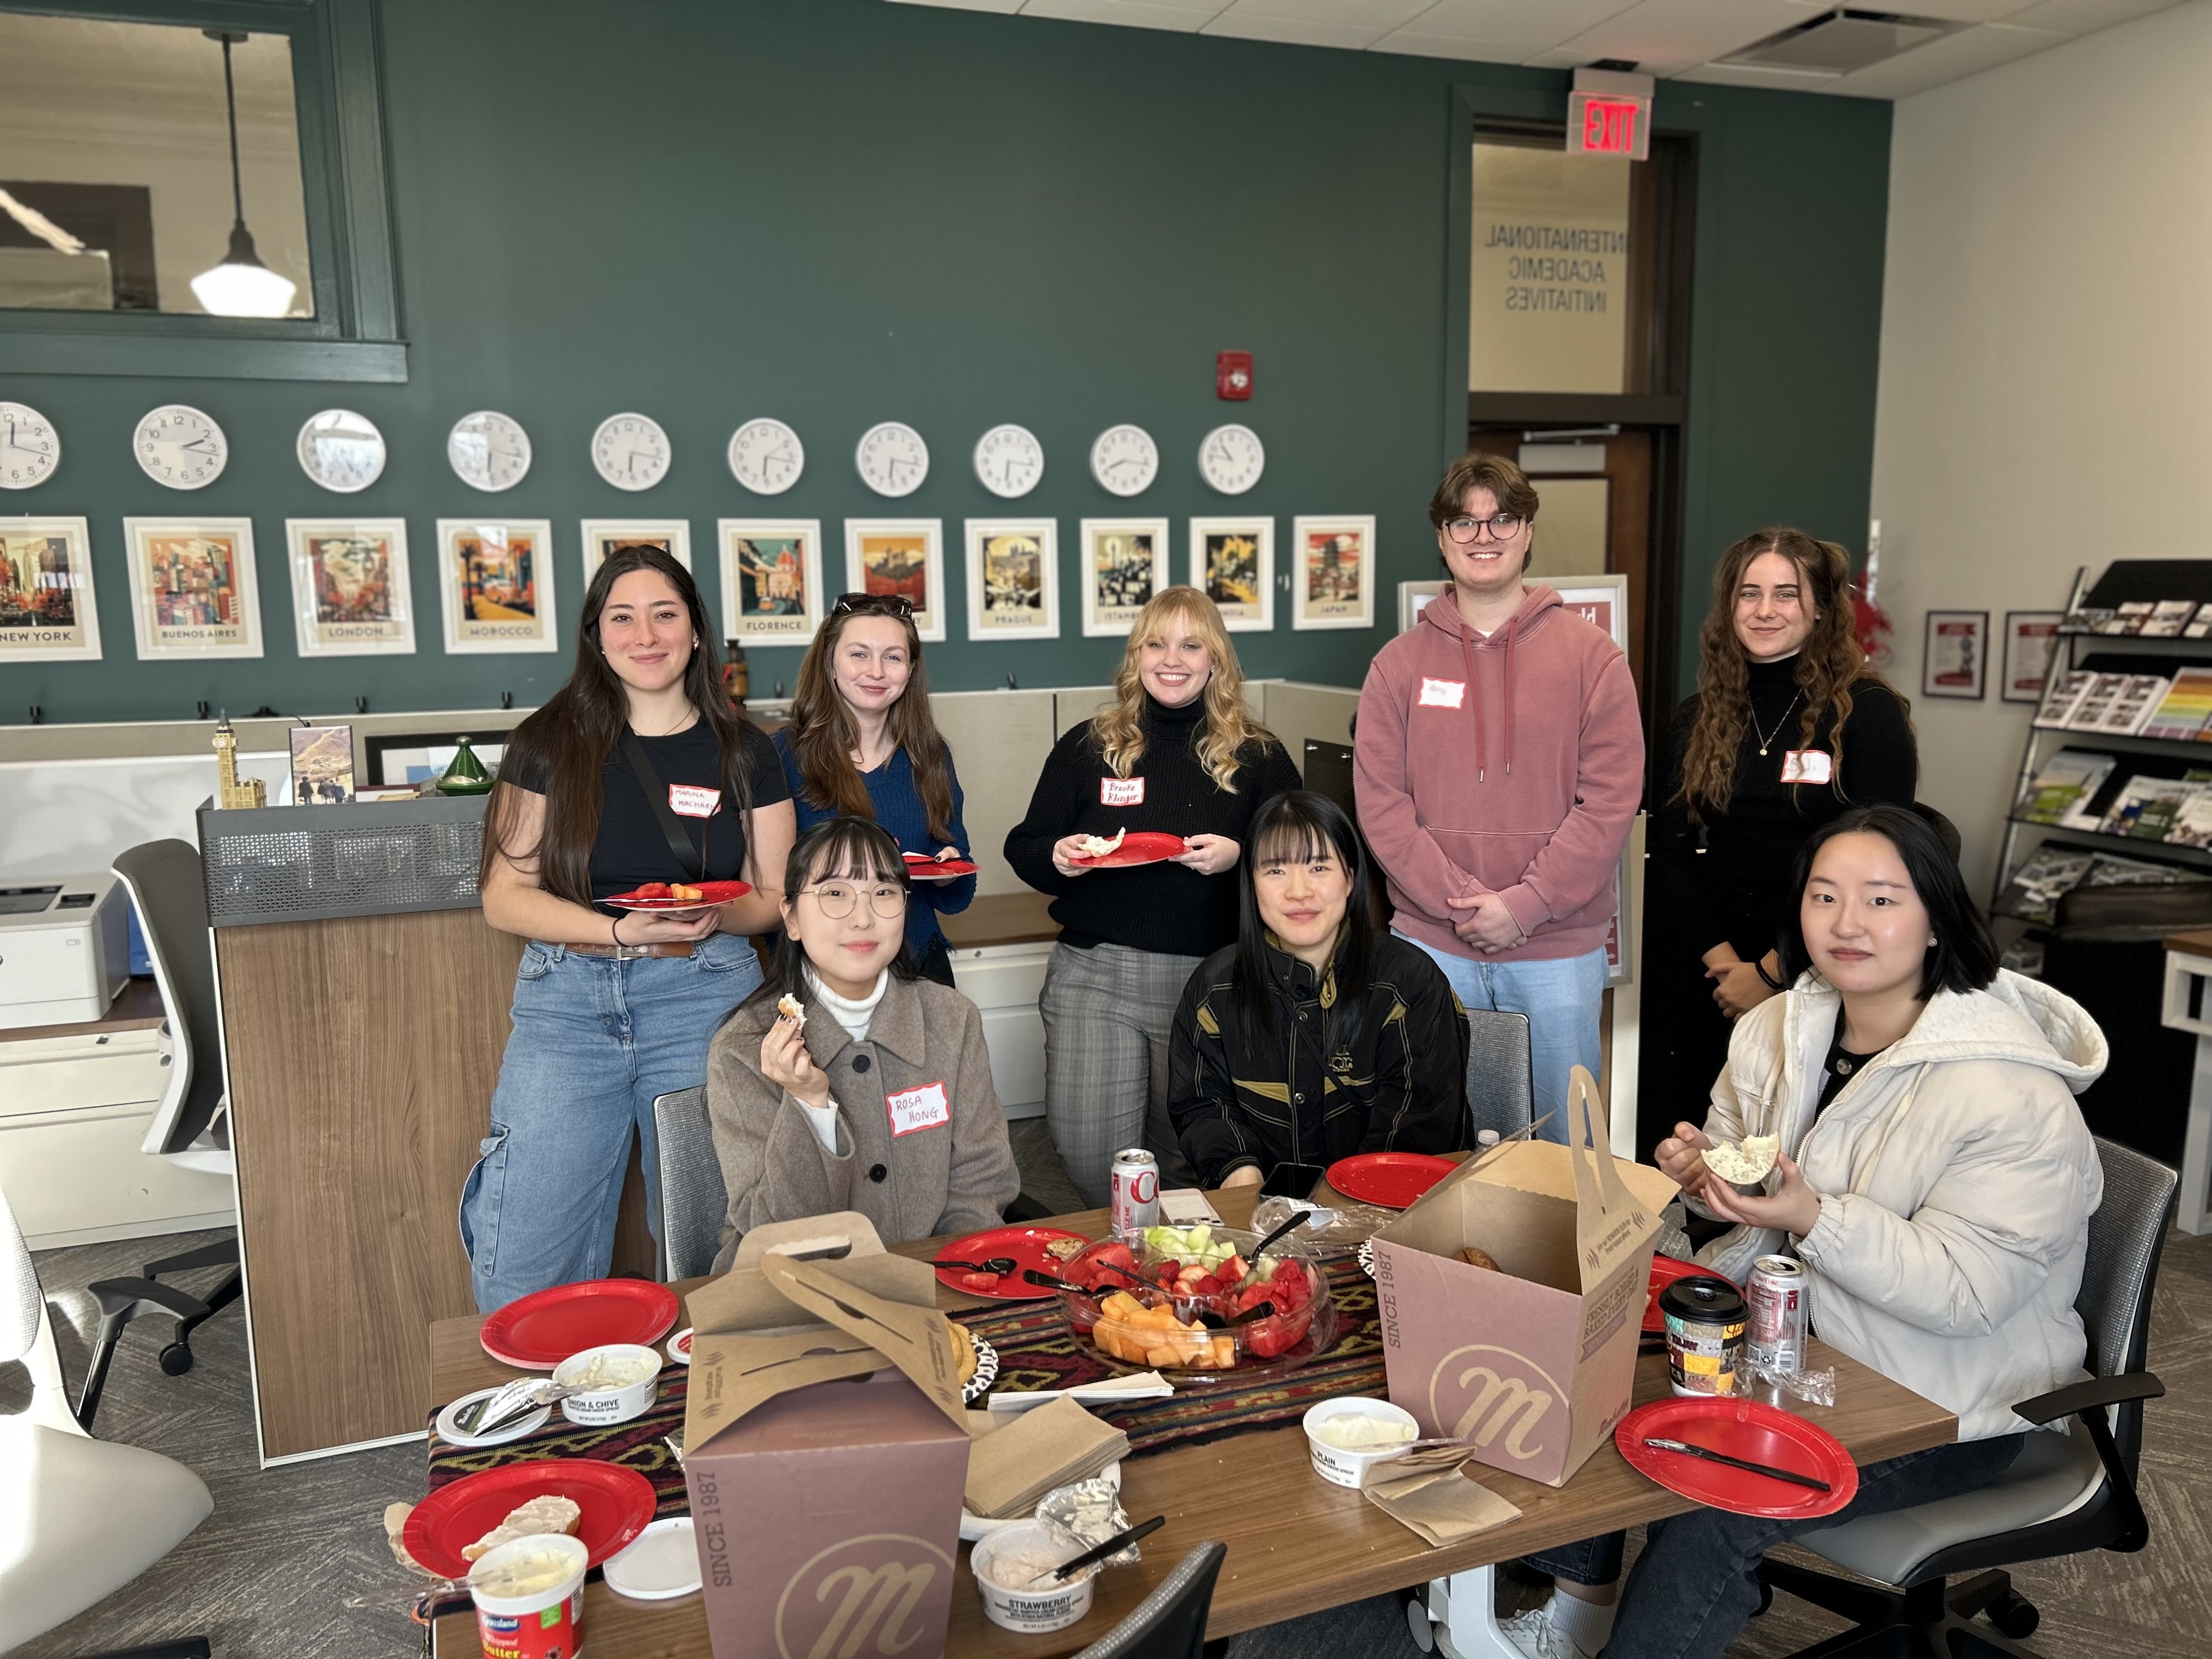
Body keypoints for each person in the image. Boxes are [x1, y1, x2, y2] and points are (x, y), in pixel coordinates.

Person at [1504, 804, 2105, 1659]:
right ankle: (1577, 1617)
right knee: (1589, 1376)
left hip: (1953, 1401)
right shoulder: (1779, 1027)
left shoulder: (2014, 1096)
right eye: (1825, 896)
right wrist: (1705, 1175)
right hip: (1793, 1350)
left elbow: (1968, 1297)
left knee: (1713, 1515)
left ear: (1939, 919)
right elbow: (1739, 1178)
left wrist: (1811, 1218)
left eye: (1882, 900)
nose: (1847, 923)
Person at [463, 545, 796, 1311]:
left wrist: (712, 915)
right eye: (623, 617)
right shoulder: (547, 743)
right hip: (568, 1006)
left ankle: (716, 1381)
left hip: (703, 996)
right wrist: (620, 932)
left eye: (664, 614)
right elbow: (504, 897)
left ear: (695, 631)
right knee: (526, 1258)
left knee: (721, 1239)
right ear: (597, 635)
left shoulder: (745, 750)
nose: (645, 636)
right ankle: (550, 1393)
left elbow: (774, 896)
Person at [1354, 452, 1643, 1144]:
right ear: (1442, 537)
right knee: (1438, 1142)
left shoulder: (1593, 658)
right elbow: (1382, 807)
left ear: (1528, 531)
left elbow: (1608, 803)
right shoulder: (1396, 667)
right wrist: (1461, 904)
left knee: (1566, 1152)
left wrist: (1524, 906)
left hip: (1557, 951)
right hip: (1433, 946)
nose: (1483, 536)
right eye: (1465, 522)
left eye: (1501, 519)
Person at [1005, 586, 1303, 1205]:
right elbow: (1024, 846)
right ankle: (1124, 1245)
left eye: (1191, 645)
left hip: (1211, 980)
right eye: (1156, 644)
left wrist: (1241, 855)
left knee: (1189, 1155)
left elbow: (1302, 862)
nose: (1172, 659)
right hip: (1094, 975)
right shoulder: (1090, 746)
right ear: (1136, 655)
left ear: (1216, 659)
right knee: (1089, 1154)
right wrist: (1058, 856)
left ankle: (1179, 1259)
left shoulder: (1259, 756)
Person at [1642, 528, 1917, 1152]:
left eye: (1786, 594)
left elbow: (1879, 860)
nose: (1765, 610)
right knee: (1690, 1136)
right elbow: (1669, 851)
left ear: (1820, 606)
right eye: (1749, 594)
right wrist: (1723, 963)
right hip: (1707, 962)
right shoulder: (1698, 715)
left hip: (1823, 957)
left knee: (1793, 1144)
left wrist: (1770, 972)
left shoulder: (1867, 713)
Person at [704, 818, 1018, 1260]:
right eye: (835, 894)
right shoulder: (743, 1046)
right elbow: (771, 1232)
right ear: (791, 919)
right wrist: (809, 1105)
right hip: (797, 1288)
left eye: (884, 892)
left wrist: (945, 1276)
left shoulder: (952, 1019)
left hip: (933, 1279)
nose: (863, 918)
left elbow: (981, 1184)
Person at [1168, 790, 1469, 1189]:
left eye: (1319, 867)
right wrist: (1241, 1174)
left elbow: (1420, 1124)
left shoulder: (1408, 983)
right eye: (1276, 871)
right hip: (1263, 1212)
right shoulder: (1215, 986)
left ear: (1350, 879)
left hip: (1389, 1206)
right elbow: (1203, 1103)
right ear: (1252, 884)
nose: (1299, 891)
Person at [773, 591, 974, 987]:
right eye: (859, 654)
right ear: (830, 662)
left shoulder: (930, 755)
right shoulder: (783, 756)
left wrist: (948, 870)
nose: (877, 672)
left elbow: (955, 876)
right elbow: (772, 886)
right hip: (819, 972)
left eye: (893, 657)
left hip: (919, 963)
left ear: (911, 670)